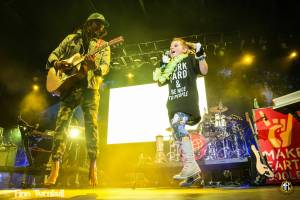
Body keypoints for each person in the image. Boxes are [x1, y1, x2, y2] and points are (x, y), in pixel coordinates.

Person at [44, 12, 110, 187]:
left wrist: (96, 67)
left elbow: (105, 67)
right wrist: (57, 63)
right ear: (88, 24)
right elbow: (53, 55)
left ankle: (93, 164)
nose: (100, 28)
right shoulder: (72, 39)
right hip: (70, 88)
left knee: (92, 126)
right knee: (61, 124)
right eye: (97, 24)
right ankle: (55, 165)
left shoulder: (104, 45)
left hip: (90, 89)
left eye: (102, 26)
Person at [153, 38, 208, 186]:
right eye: (170, 46)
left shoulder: (189, 60)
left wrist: (200, 54)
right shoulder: (169, 66)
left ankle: (190, 165)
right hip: (173, 106)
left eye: (176, 45)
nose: (172, 47)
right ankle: (194, 175)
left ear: (184, 49)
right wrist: (162, 64)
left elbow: (204, 71)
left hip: (187, 103)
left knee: (178, 125)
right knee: (178, 136)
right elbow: (159, 82)